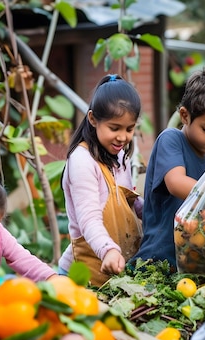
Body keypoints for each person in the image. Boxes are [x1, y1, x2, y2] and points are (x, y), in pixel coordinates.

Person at [132, 65, 205, 268]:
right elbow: (176, 183)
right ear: (184, 116)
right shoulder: (171, 140)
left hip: (194, 264)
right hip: (158, 261)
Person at [58, 74, 144, 287]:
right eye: (114, 128)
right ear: (93, 119)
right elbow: (89, 219)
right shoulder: (81, 161)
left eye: (129, 129)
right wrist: (109, 249)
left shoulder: (120, 156)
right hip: (81, 276)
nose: (122, 137)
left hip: (116, 271)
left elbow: (127, 200)